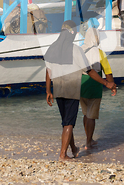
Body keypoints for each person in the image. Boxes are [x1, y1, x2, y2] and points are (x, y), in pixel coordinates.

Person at [45, 20, 116, 161]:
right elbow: (89, 71)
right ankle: (63, 154)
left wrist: (48, 91)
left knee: (66, 122)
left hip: (58, 89)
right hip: (71, 89)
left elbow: (48, 71)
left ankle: (73, 149)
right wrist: (105, 83)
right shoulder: (75, 50)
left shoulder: (52, 48)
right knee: (69, 123)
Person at [80, 27, 117, 150]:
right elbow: (107, 71)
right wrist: (112, 86)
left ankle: (88, 138)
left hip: (81, 84)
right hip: (94, 85)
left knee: (86, 113)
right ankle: (88, 142)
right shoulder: (99, 52)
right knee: (91, 115)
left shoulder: (81, 50)